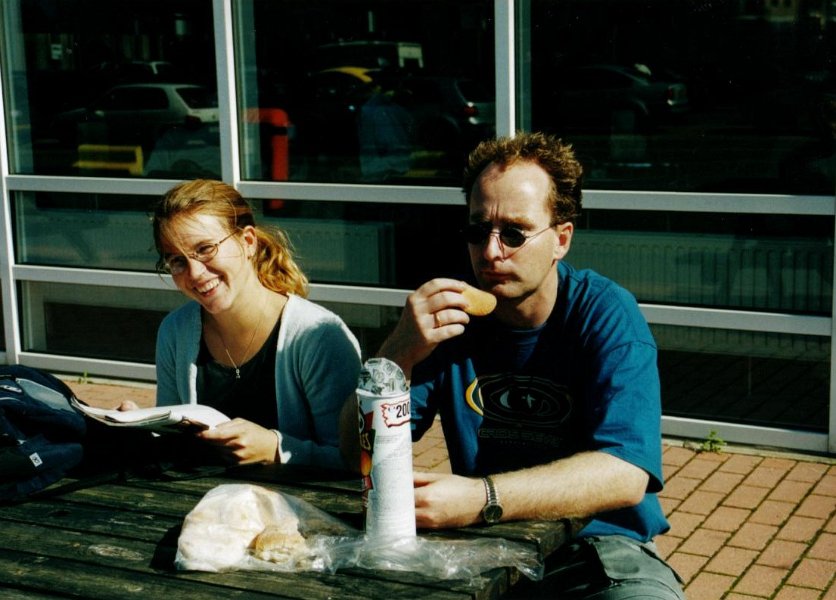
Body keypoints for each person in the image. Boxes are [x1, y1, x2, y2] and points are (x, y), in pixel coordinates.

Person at [341, 132, 685, 599]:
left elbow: (626, 473)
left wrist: (481, 497)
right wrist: (399, 348)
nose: (491, 252)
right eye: (477, 230)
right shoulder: (449, 317)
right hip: (480, 549)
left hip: (596, 550)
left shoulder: (604, 313)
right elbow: (351, 449)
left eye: (515, 234)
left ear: (561, 239)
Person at [150, 179, 361, 468]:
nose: (195, 273)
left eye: (205, 249)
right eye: (177, 261)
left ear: (248, 242)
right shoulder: (175, 331)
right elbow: (171, 443)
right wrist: (139, 429)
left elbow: (355, 461)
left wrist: (276, 449)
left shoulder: (318, 337)